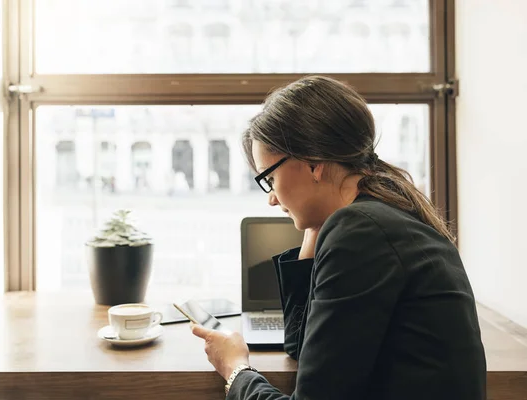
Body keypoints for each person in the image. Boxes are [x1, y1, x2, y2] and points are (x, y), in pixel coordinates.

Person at [190, 76, 486, 400]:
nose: (272, 198)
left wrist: (235, 370)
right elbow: (303, 348)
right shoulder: (376, 216)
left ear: (313, 163)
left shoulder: (361, 232)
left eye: (270, 178)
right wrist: (313, 227)